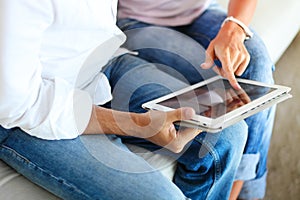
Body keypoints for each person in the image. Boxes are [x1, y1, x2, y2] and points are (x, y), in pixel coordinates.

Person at [0, 1, 248, 200]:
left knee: (226, 130)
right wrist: (136, 124)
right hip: (31, 108)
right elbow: (18, 102)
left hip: (103, 62)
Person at [117, 0, 276, 199]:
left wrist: (235, 26)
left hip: (200, 12)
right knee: (212, 76)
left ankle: (242, 194)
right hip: (138, 21)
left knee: (256, 64)